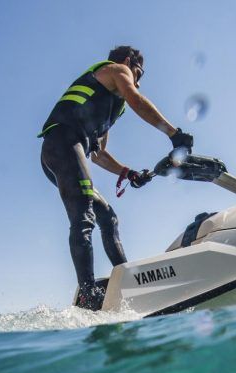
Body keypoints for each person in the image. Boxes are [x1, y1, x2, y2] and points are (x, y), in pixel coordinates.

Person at [38, 46, 195, 310]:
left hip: (64, 152)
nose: (138, 80)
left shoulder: (112, 106)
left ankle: (129, 285)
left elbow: (99, 155)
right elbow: (136, 99)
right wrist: (174, 134)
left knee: (108, 217)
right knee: (83, 216)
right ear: (128, 61)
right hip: (62, 143)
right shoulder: (116, 70)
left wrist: (128, 172)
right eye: (138, 73)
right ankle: (88, 295)